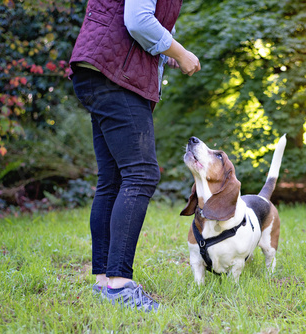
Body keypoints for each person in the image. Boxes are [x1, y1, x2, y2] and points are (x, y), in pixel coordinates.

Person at [69, 0, 200, 312]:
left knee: (112, 179)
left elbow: (139, 29)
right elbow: (138, 20)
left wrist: (171, 56)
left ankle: (104, 281)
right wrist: (181, 53)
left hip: (99, 70)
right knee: (141, 174)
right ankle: (119, 284)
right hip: (115, 75)